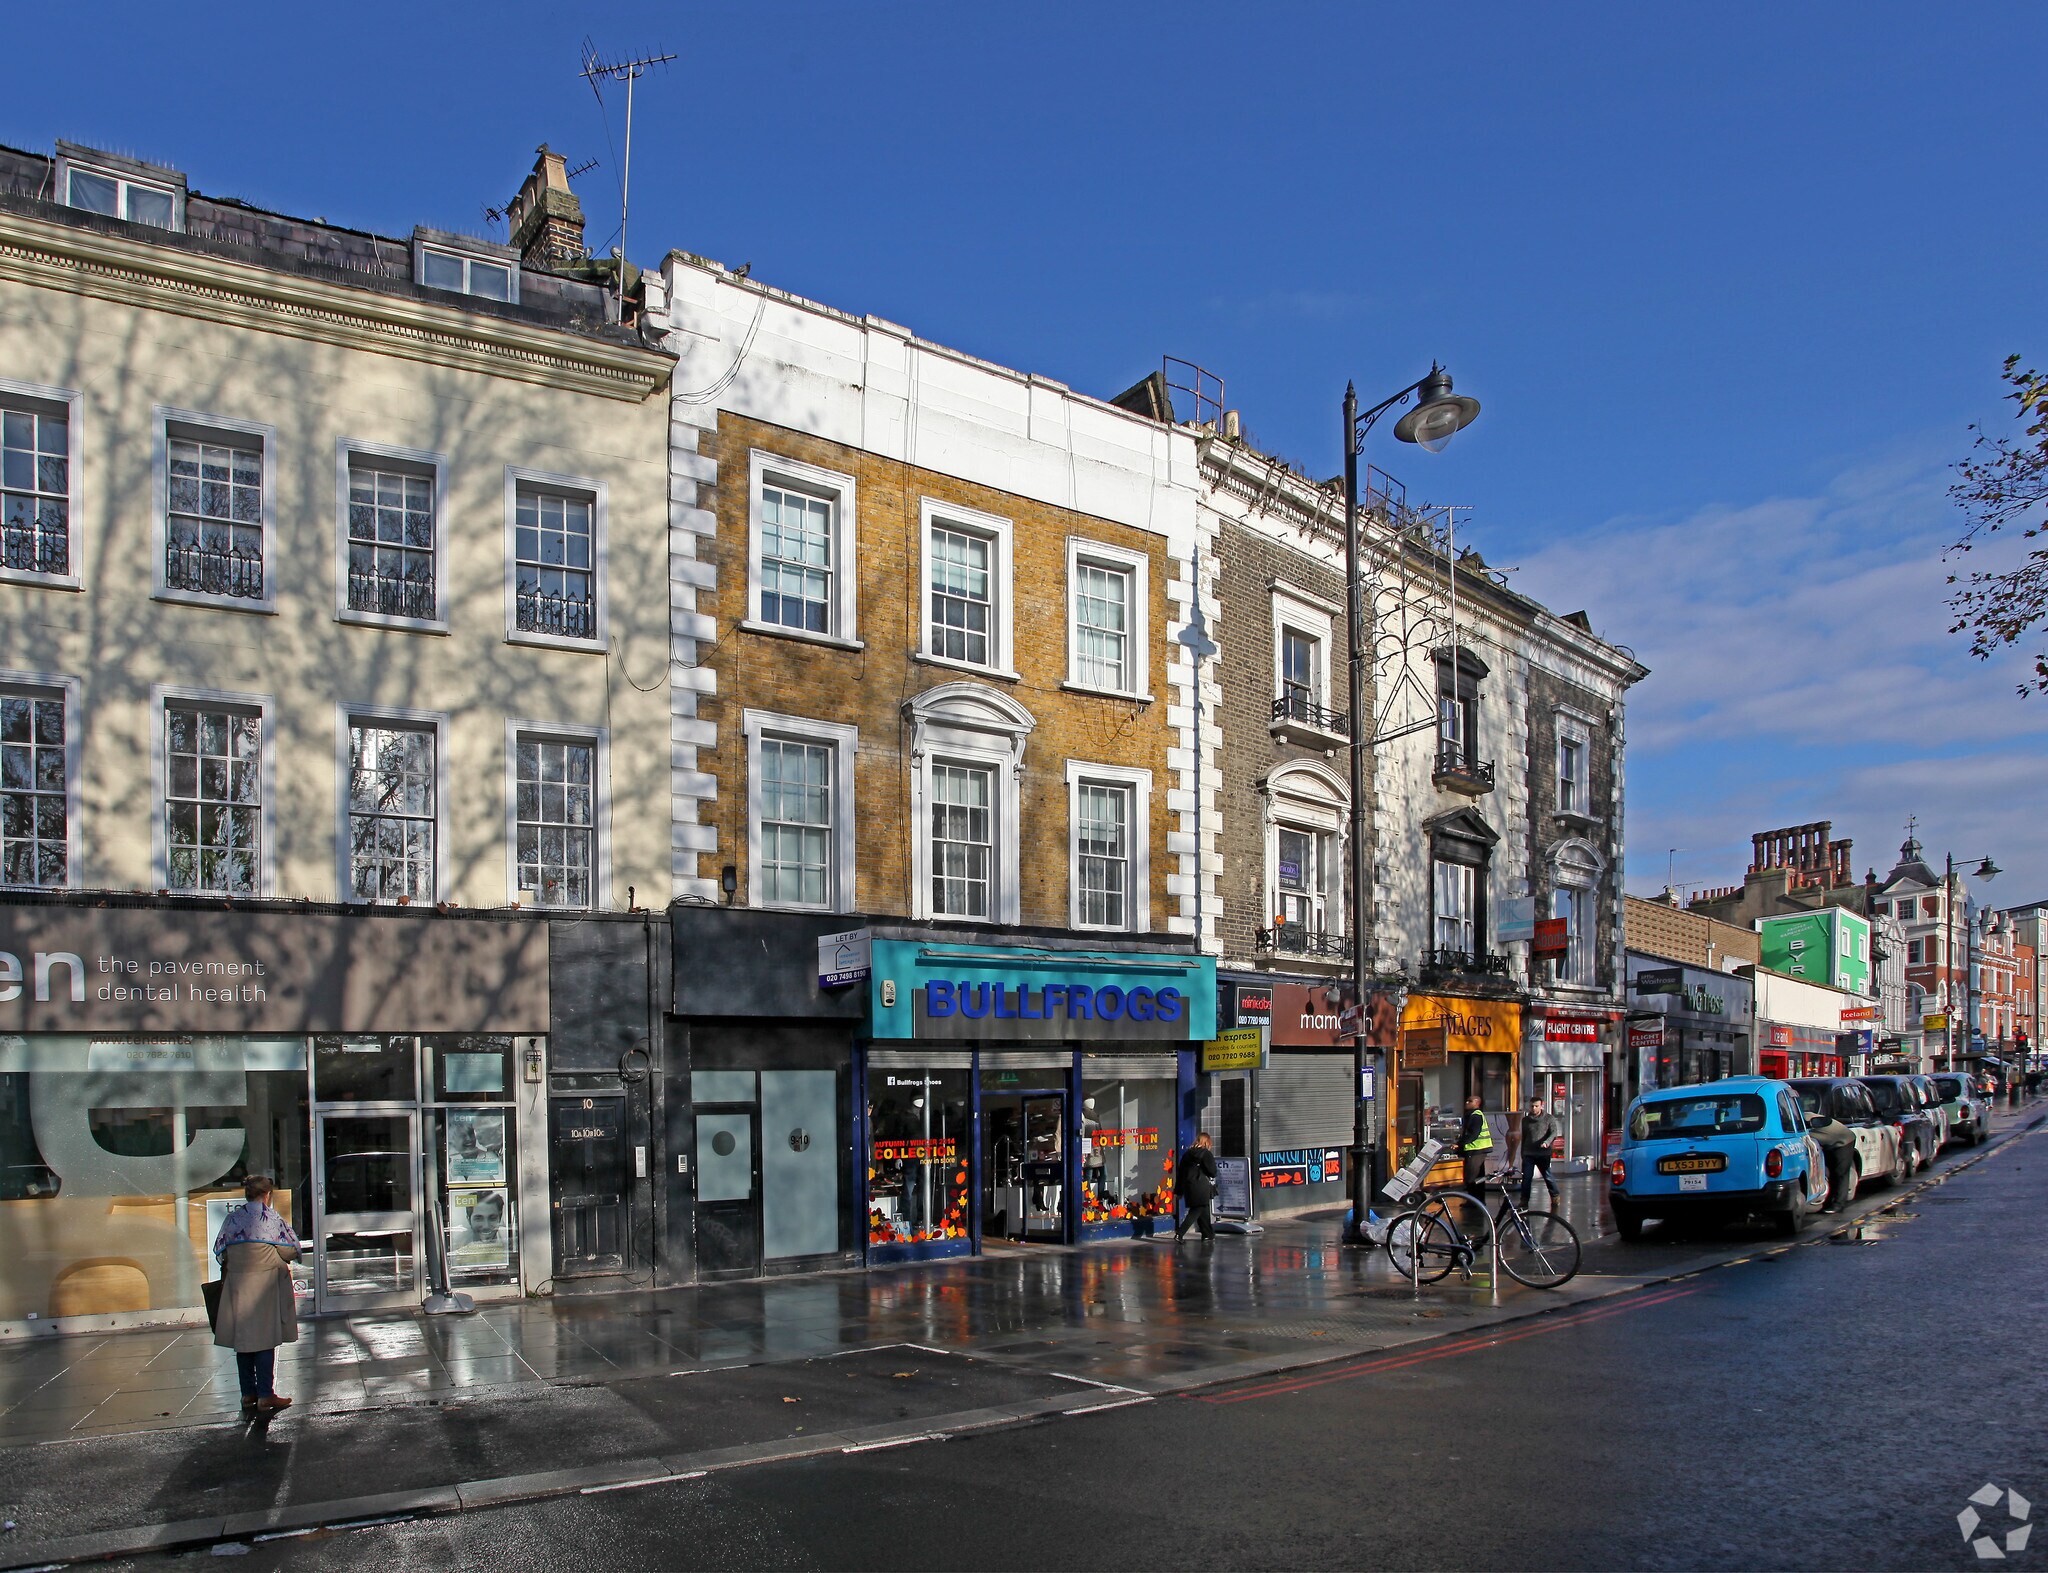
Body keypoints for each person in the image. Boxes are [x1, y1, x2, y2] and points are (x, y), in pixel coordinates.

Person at [211, 1174, 301, 1416]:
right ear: (268, 1195)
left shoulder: (232, 1219)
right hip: (265, 1289)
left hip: (238, 1288)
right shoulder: (271, 1219)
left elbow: (219, 1251)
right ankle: (265, 1394)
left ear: (245, 1194)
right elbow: (292, 1250)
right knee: (264, 1341)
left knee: (243, 1343)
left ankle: (247, 1394)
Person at [1805, 1101, 1857, 1213]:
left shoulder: (1806, 1118)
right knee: (1832, 1173)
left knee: (1840, 1173)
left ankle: (1838, 1204)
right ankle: (1829, 1202)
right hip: (1830, 1143)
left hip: (1843, 1141)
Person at [1518, 1098, 1562, 1210]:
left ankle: (1555, 1196)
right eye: (1532, 1106)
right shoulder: (1525, 1120)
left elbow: (1554, 1133)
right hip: (1529, 1153)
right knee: (1526, 1178)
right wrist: (1522, 1152)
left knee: (1547, 1176)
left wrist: (1547, 1142)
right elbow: (1524, 1137)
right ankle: (1524, 1201)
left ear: (1541, 1106)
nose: (1534, 1108)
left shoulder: (1548, 1118)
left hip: (1543, 1153)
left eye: (1536, 1106)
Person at [1174, 1132, 1218, 1242]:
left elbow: (1181, 1174)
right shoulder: (1206, 1154)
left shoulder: (1187, 1154)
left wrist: (1179, 1191)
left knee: (1204, 1209)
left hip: (1188, 1186)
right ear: (1207, 1142)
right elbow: (1213, 1172)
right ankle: (1180, 1233)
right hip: (1201, 1186)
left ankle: (1208, 1234)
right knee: (1197, 1210)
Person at [1460, 1094, 1495, 1192]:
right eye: (1467, 1101)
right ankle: (1478, 1200)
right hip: (1479, 1149)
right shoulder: (1473, 1115)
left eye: (1470, 1101)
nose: (1466, 1103)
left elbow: (1473, 1134)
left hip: (1476, 1149)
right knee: (1478, 1177)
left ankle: (1473, 1201)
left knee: (1471, 1176)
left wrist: (1460, 1144)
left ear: (1476, 1103)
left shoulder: (1476, 1115)